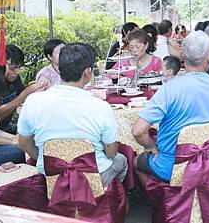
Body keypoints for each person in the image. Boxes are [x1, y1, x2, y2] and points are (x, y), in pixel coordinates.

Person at [18, 43, 127, 187]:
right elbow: (111, 152)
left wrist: (47, 159)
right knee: (122, 161)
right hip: (93, 176)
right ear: (88, 72)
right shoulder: (101, 107)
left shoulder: (32, 101)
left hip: (51, 175)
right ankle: (106, 201)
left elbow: (24, 143)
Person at [132, 31, 209, 184]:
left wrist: (150, 146)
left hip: (171, 165)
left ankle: (161, 203)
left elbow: (138, 131)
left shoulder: (169, 89)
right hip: (208, 163)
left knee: (136, 162)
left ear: (182, 56)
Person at [0, 45, 47, 134]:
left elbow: (22, 96)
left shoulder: (15, 79)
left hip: (7, 128)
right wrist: (25, 94)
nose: (17, 72)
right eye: (12, 68)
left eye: (20, 67)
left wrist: (36, 90)